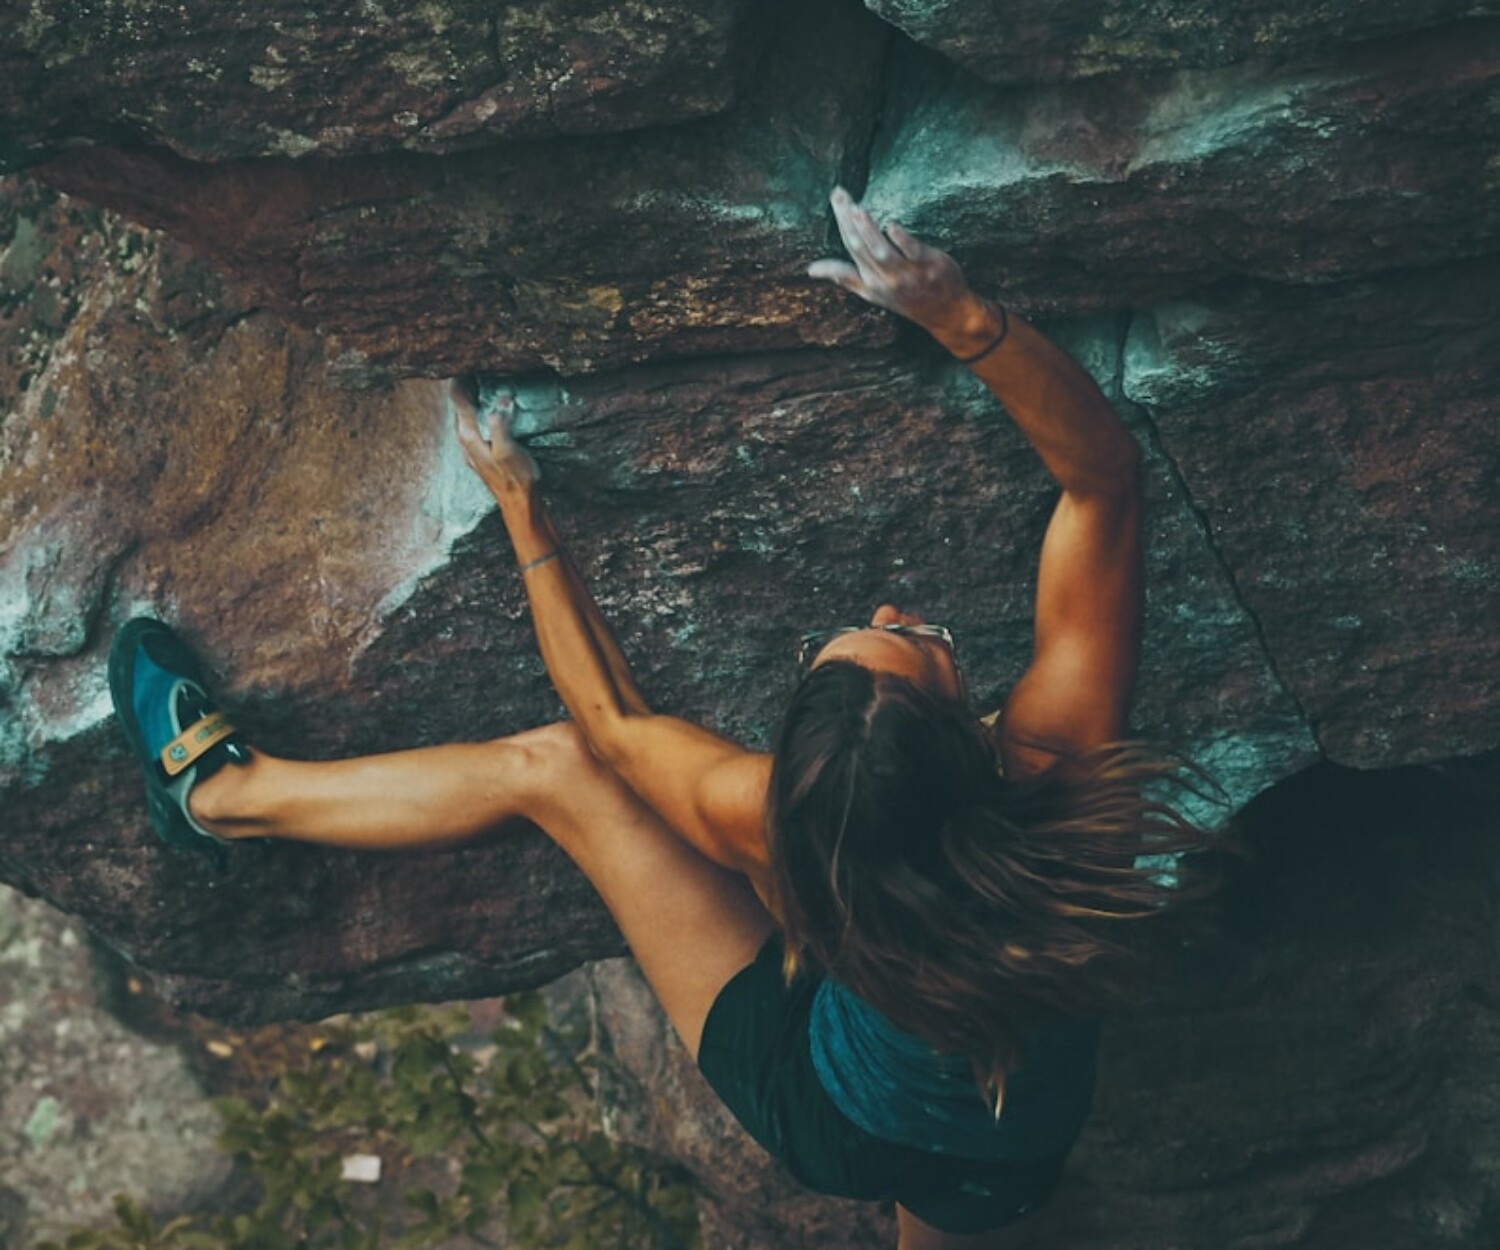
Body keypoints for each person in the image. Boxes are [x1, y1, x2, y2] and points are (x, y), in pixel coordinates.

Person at [110, 188, 1215, 1249]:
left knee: (556, 768)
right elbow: (1103, 486)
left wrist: (525, 510)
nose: (892, 609)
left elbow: (608, 721)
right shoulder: (1065, 794)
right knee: (954, 1183)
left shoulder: (770, 817)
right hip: (999, 1149)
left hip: (827, 1109)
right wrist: (958, 314)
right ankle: (224, 799)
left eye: (892, 634)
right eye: (907, 639)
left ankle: (219, 793)